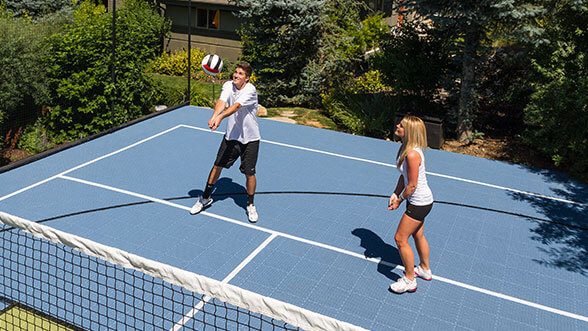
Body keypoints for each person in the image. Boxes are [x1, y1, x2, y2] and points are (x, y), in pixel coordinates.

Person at [190, 62, 260, 223]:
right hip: (231, 137)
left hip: (250, 139)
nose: (236, 75)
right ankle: (205, 198)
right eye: (235, 72)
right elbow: (222, 102)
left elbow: (236, 106)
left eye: (240, 74)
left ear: (247, 78)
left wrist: (220, 117)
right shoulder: (228, 85)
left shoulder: (250, 90)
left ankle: (250, 204)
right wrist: (215, 116)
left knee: (249, 172)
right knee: (217, 166)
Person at [388, 116, 434, 294]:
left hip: (419, 202)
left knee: (400, 238)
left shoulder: (413, 154)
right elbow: (403, 176)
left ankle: (409, 279)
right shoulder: (405, 148)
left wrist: (399, 200)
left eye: (401, 125)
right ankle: (424, 269)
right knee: (418, 235)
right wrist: (395, 193)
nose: (397, 126)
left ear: (410, 132)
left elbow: (412, 185)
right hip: (419, 201)